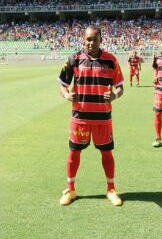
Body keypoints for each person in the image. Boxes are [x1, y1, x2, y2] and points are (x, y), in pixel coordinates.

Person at [57, 25, 124, 206]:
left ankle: (111, 189)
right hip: (80, 117)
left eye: (94, 39)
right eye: (88, 39)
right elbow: (62, 84)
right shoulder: (74, 59)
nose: (91, 42)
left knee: (106, 152)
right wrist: (66, 95)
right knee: (74, 152)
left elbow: (120, 87)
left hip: (103, 118)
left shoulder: (111, 60)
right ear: (83, 40)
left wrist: (115, 95)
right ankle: (70, 189)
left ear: (101, 39)